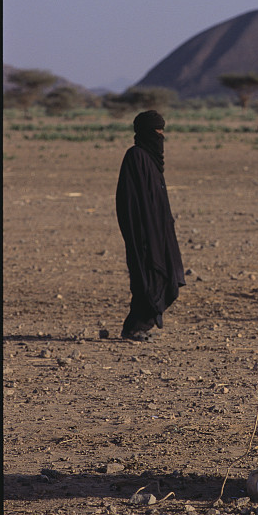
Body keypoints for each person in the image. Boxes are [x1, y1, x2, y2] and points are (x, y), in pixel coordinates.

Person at [116, 109, 185, 341]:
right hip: (143, 233)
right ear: (145, 132)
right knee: (146, 277)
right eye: (156, 131)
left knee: (164, 274)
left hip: (159, 230)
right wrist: (142, 231)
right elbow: (129, 201)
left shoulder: (151, 160)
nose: (161, 135)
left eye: (162, 130)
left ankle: (140, 326)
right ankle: (134, 327)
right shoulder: (135, 157)